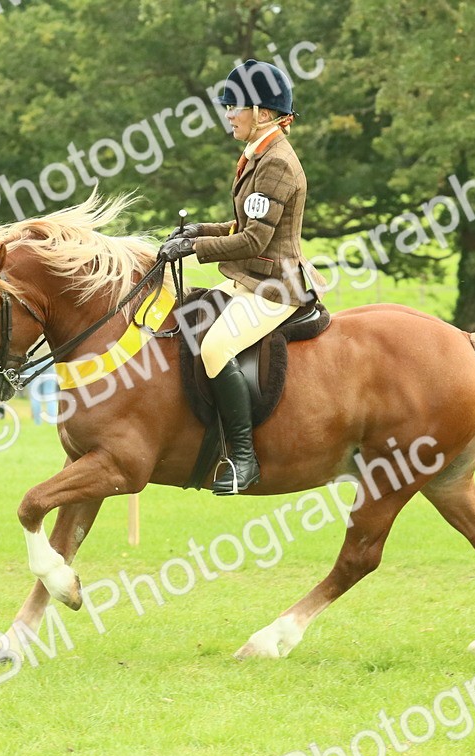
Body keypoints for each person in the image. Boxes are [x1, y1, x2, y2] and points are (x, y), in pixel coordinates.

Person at [158, 59, 311, 496]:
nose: (228, 114)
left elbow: (255, 241)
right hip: (248, 278)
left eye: (234, 106)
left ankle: (244, 458)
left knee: (215, 346)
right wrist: (197, 231)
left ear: (263, 112)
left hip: (273, 287)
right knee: (183, 320)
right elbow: (241, 225)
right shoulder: (257, 155)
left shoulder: (277, 163)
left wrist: (195, 249)